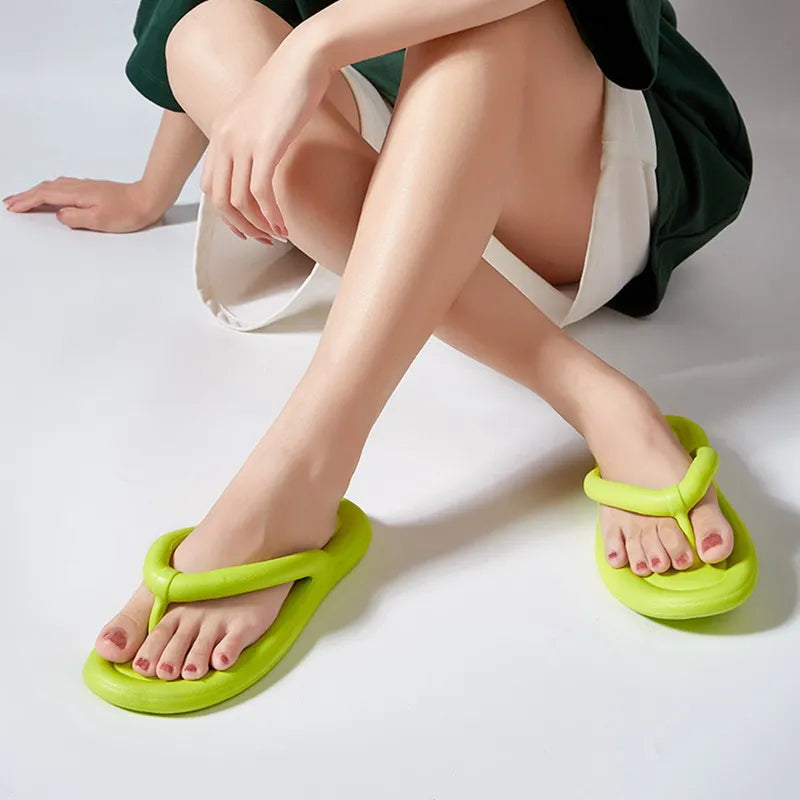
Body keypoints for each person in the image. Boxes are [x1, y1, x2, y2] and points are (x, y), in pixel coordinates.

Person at [4, 0, 752, 682]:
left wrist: (316, 44)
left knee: (475, 23)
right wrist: (150, 192)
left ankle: (302, 468)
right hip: (397, 163)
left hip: (570, 153)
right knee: (204, 31)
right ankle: (593, 392)